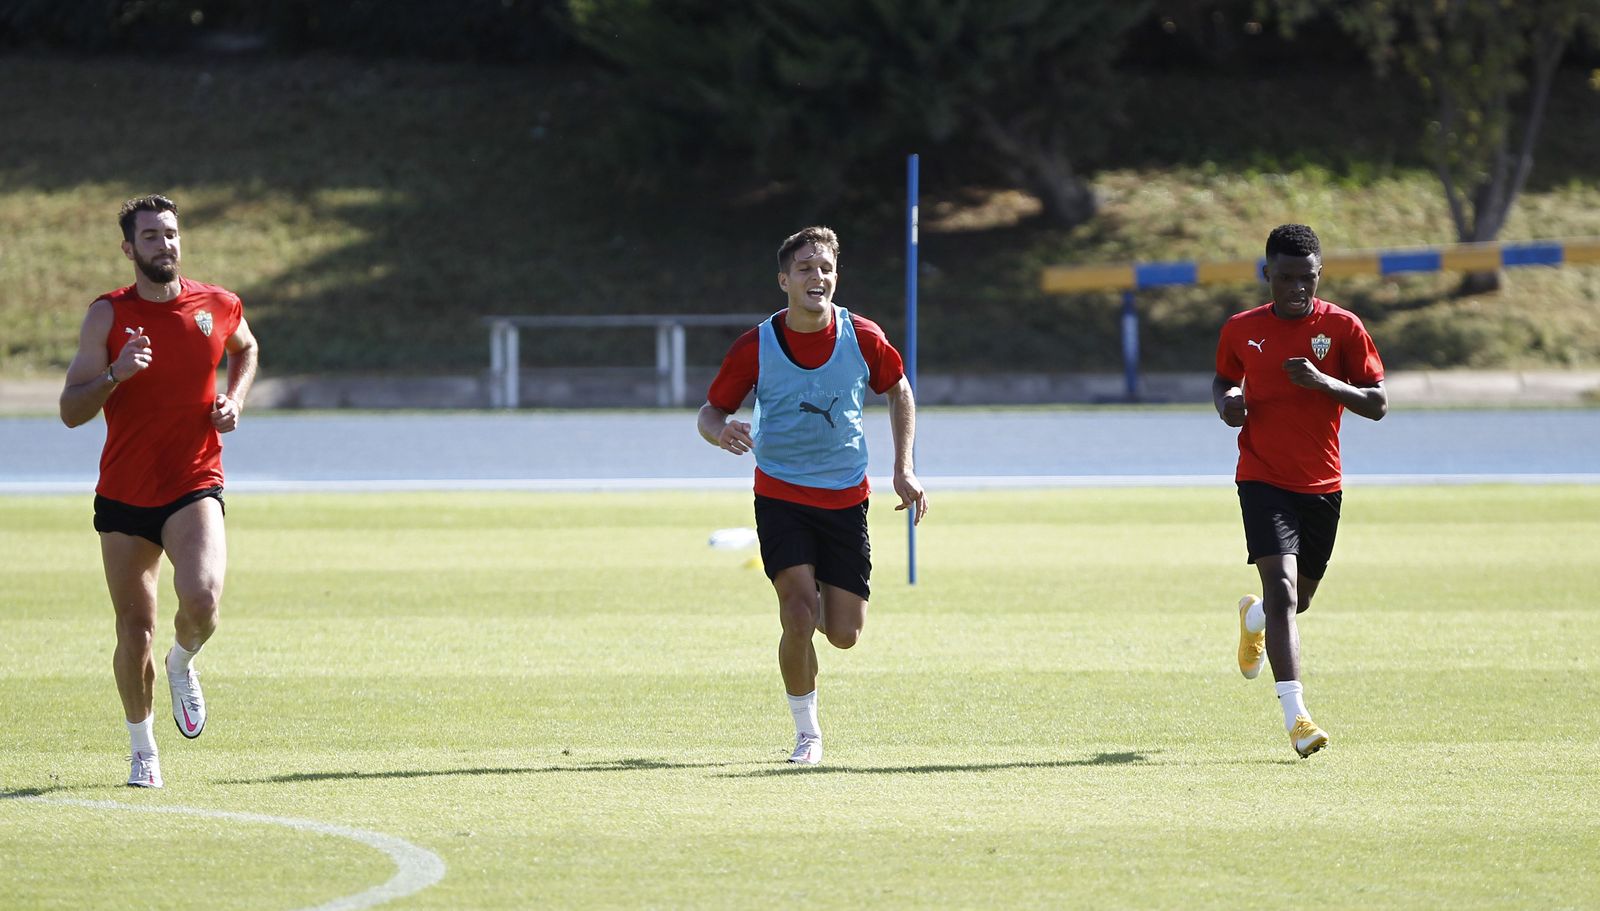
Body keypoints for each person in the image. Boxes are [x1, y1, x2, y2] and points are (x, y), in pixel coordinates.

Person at [698, 226, 928, 765]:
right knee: (797, 616)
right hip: (780, 493)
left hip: (846, 498)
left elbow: (898, 388)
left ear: (835, 277)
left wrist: (904, 467)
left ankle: (815, 590)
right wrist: (721, 431)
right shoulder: (756, 344)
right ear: (784, 280)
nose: (815, 277)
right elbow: (710, 412)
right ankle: (808, 734)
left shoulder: (862, 335)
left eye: (824, 268)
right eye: (804, 268)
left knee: (844, 634)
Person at [59, 195, 259, 788]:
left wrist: (235, 400)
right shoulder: (107, 315)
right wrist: (115, 373)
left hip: (194, 481)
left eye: (170, 234)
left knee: (201, 600)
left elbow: (245, 347)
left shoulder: (217, 305)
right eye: (150, 237)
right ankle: (143, 748)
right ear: (129, 249)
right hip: (124, 493)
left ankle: (184, 661)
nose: (164, 245)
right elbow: (71, 410)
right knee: (134, 629)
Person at [1213, 223, 1387, 759]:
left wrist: (1325, 383)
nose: (1296, 289)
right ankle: (1298, 717)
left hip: (1322, 483)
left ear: (1319, 275)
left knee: (1298, 600)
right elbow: (1224, 379)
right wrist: (1228, 406)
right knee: (1284, 590)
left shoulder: (1342, 327)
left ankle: (1255, 618)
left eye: (1306, 278)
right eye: (1285, 277)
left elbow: (1377, 402)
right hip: (1261, 477)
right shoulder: (1242, 329)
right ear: (1268, 274)